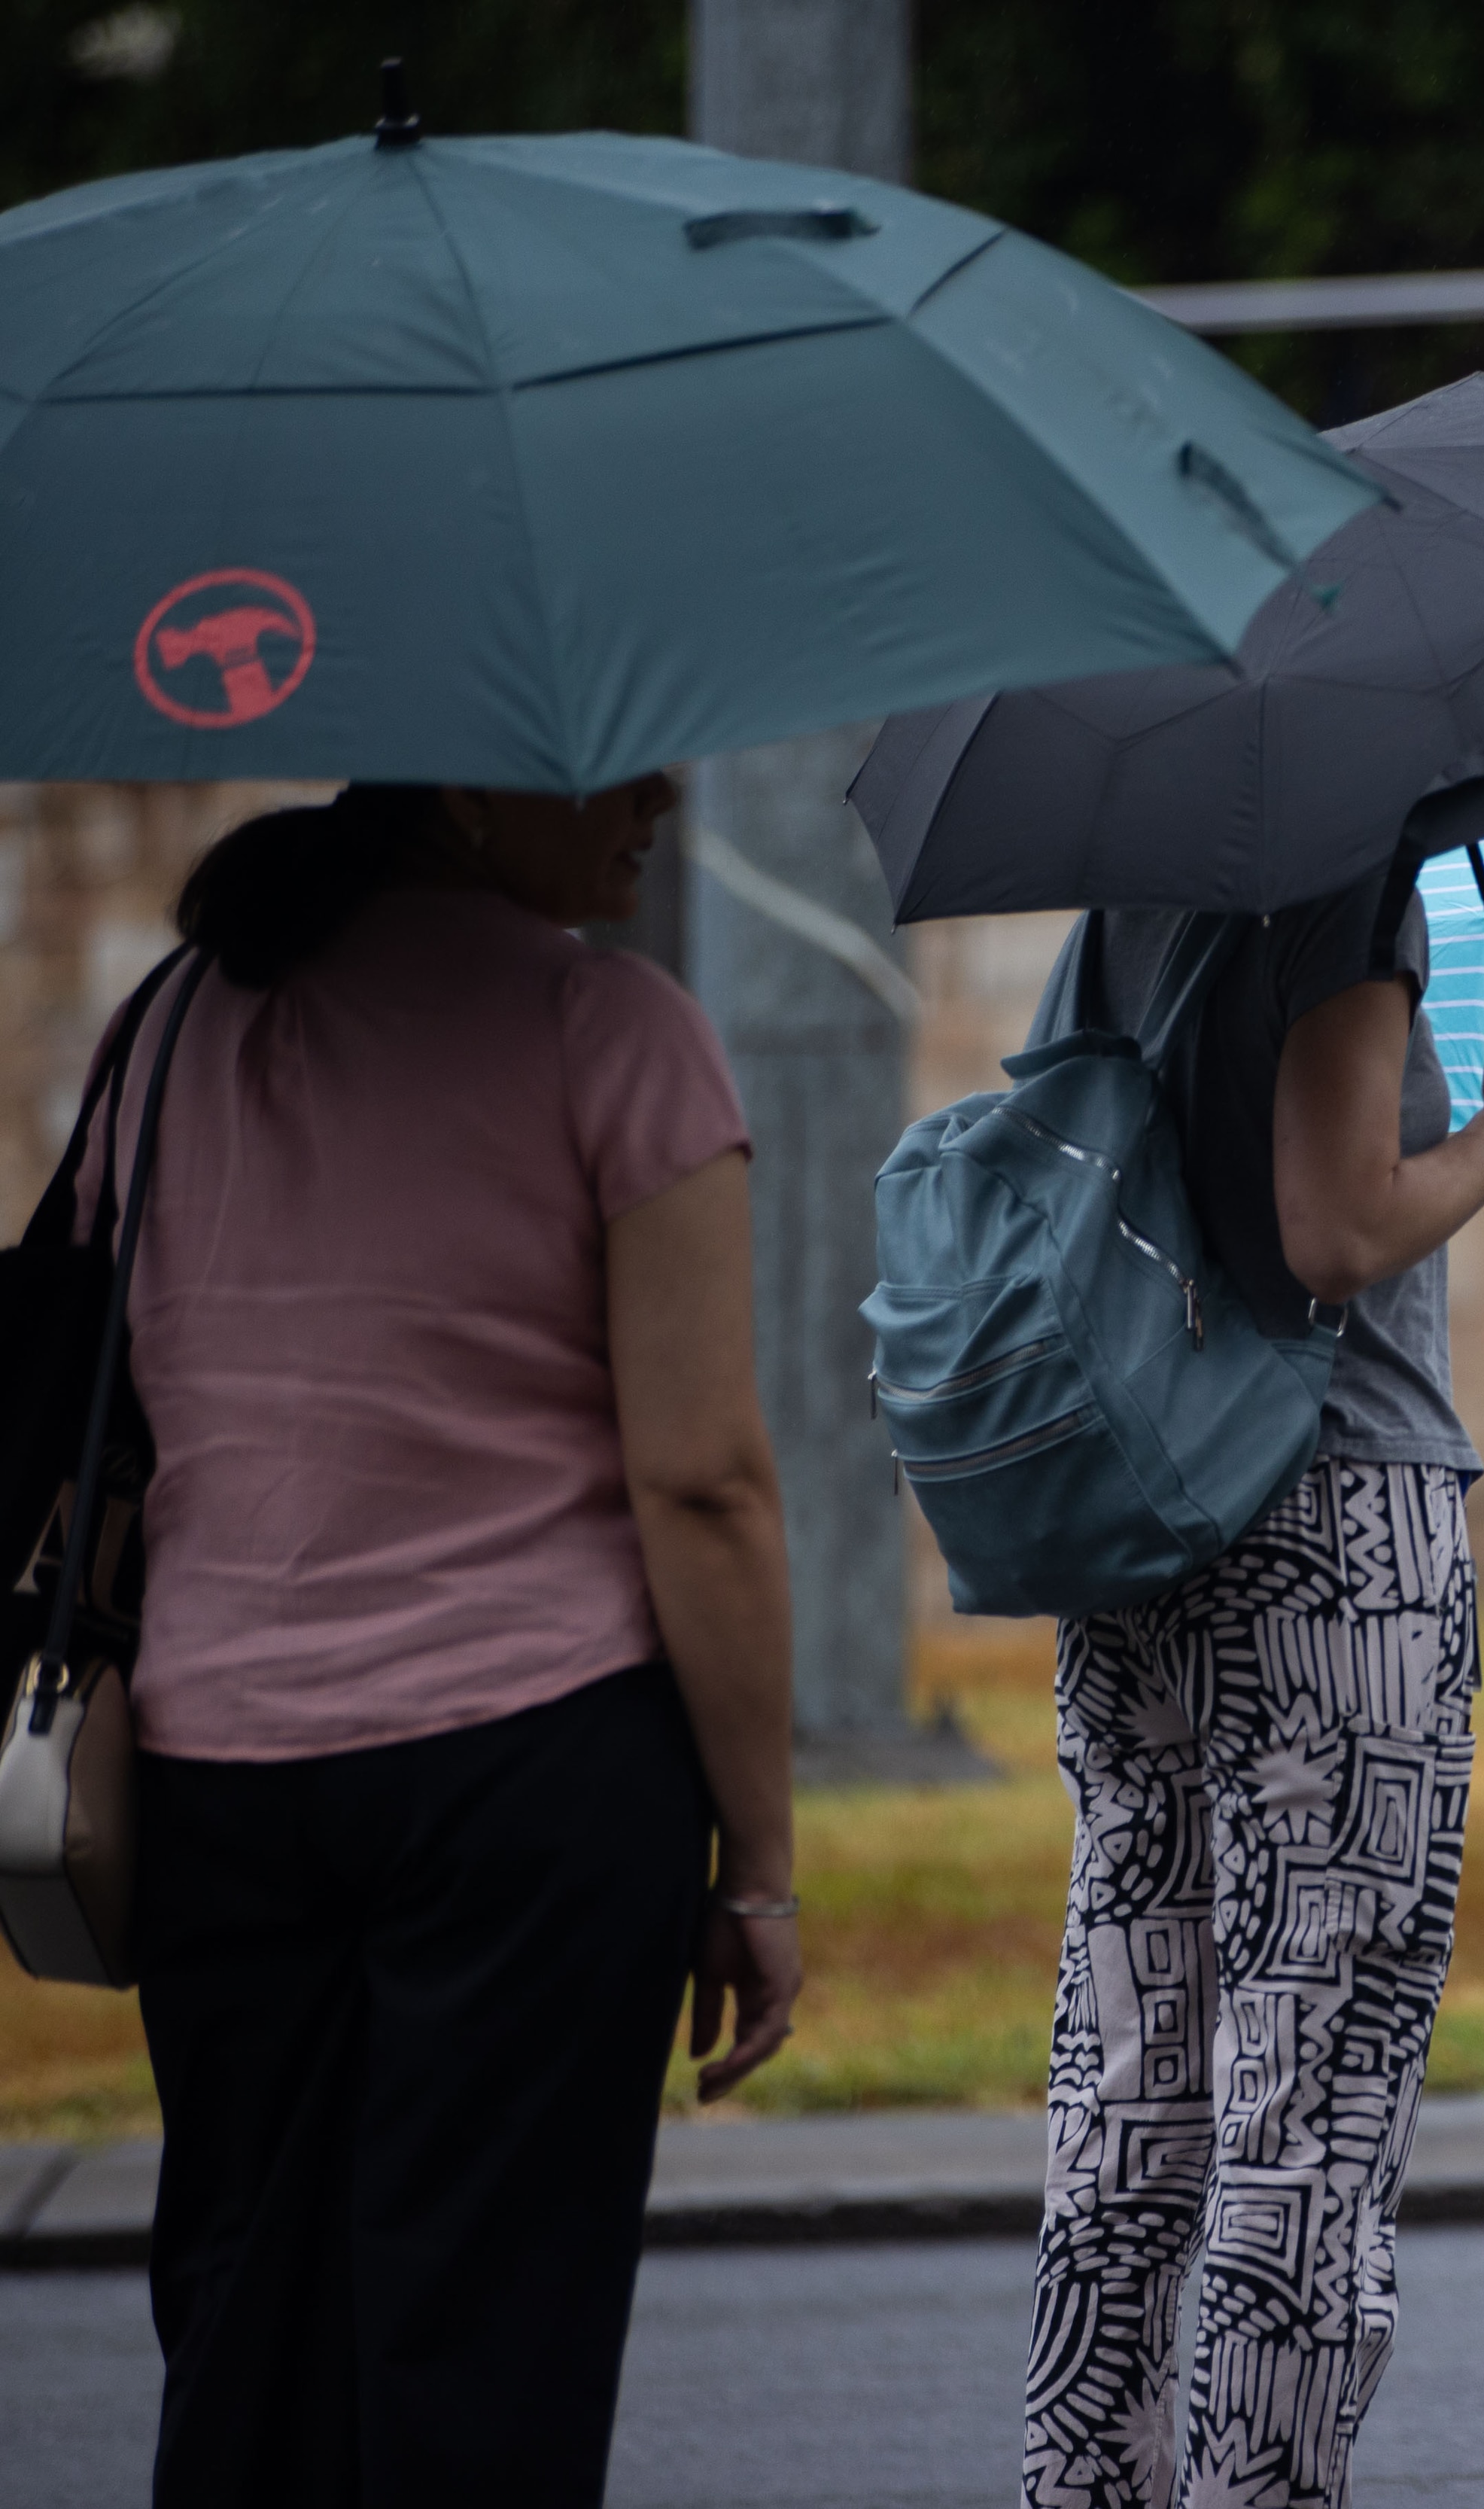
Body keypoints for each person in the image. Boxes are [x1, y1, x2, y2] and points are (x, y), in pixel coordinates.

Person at [105, 775, 799, 2504]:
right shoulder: (610, 1025)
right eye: (612, 761)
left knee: (247, 2320)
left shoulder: (175, 1016)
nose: (657, 800)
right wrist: (763, 1864)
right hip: (529, 1770)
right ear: (469, 781)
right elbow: (703, 1479)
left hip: (211, 1765)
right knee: (484, 2349)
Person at [1023, 876, 1484, 2509]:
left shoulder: (1122, 895)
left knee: (1130, 2084)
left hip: (1133, 1520)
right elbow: (1334, 1231)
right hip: (1336, 1532)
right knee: (1314, 2085)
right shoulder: (1346, 877)